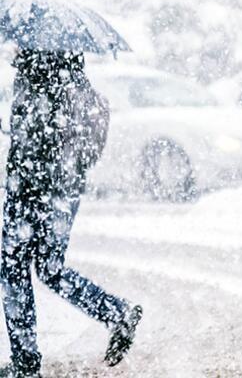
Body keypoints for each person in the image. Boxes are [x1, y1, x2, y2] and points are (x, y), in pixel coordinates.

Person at [0, 50, 142, 377]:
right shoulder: (73, 78)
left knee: (14, 268)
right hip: (63, 189)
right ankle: (116, 313)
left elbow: (34, 139)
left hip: (33, 187)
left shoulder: (39, 78)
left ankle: (25, 363)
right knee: (48, 268)